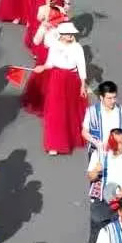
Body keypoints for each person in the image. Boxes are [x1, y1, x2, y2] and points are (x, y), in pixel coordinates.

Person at [29, 22, 88, 157]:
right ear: (61, 34)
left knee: (70, 109)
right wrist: (42, 67)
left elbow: (81, 65)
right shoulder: (54, 45)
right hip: (57, 79)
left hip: (72, 80)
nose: (70, 36)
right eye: (68, 34)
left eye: (71, 33)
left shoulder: (77, 47)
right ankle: (54, 144)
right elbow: (50, 63)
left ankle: (70, 138)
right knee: (55, 110)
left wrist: (83, 84)